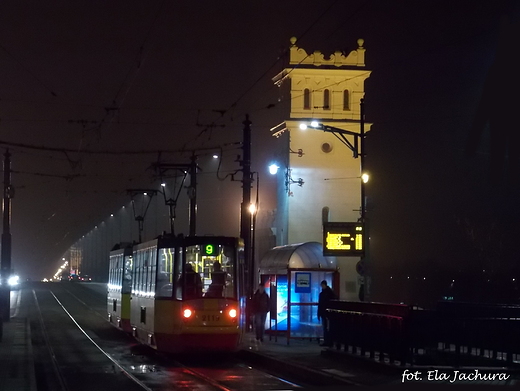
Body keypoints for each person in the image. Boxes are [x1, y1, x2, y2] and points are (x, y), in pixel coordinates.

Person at [317, 280, 337, 347]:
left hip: (326, 313)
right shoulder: (329, 293)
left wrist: (319, 313)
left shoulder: (325, 294)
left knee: (326, 327)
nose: (322, 287)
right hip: (326, 313)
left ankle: (328, 341)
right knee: (326, 327)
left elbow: (320, 304)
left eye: (322, 285)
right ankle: (328, 341)